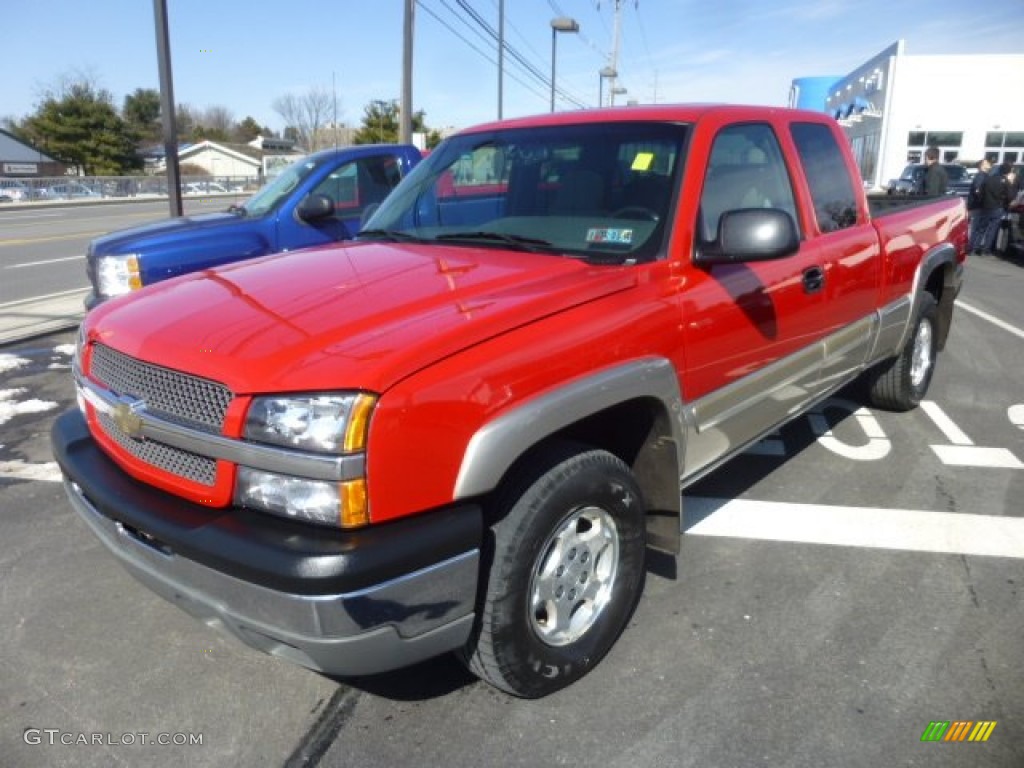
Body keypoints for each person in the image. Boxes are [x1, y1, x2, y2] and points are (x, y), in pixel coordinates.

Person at [976, 162, 1017, 255]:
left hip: (986, 206)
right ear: (1008, 172)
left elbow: (980, 193)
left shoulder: (988, 179)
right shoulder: (1005, 181)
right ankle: (986, 249)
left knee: (981, 228)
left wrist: (982, 202)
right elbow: (1010, 196)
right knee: (992, 229)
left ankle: (975, 247)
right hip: (998, 207)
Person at [966, 157, 993, 254]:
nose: (989, 164)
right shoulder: (981, 176)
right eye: (987, 163)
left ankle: (973, 247)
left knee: (979, 228)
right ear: (982, 165)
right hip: (978, 206)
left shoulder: (985, 175)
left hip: (980, 205)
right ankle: (971, 247)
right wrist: (984, 199)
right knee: (976, 228)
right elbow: (978, 191)